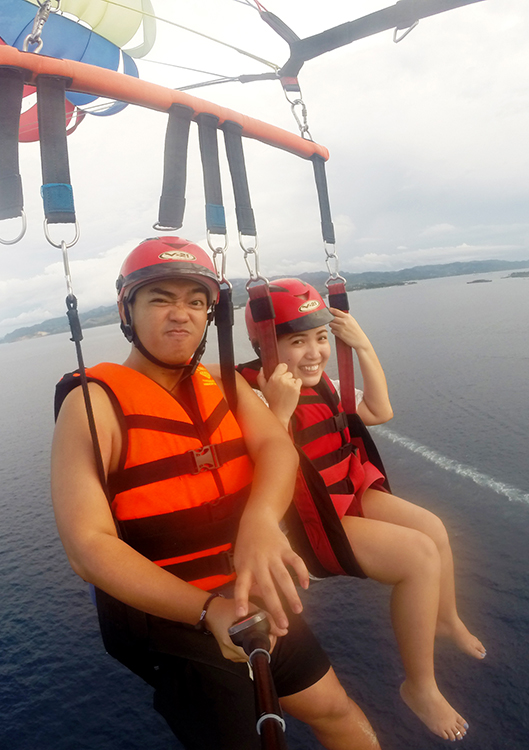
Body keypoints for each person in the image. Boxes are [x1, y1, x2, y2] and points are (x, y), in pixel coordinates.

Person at [51, 239, 380, 750]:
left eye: (197, 302)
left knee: (336, 712)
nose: (181, 315)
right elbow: (87, 544)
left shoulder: (226, 386)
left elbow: (278, 450)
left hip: (253, 596)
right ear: (127, 309)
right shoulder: (94, 405)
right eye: (161, 299)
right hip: (176, 624)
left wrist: (260, 523)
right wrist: (207, 611)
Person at [239, 278, 485, 742]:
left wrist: (364, 347)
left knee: (433, 528)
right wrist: (280, 411)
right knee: (417, 556)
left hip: (348, 489)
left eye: (321, 339)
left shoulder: (324, 384)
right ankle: (420, 686)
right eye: (297, 341)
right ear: (265, 346)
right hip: (316, 519)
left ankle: (446, 619)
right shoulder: (255, 397)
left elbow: (380, 410)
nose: (314, 353)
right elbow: (261, 463)